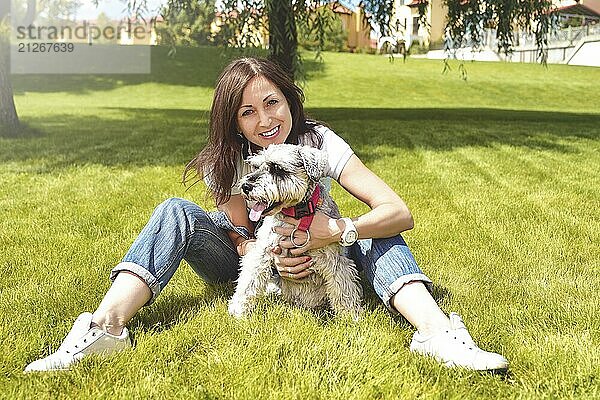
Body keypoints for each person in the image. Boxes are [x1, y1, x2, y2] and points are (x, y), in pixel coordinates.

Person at [25, 57, 508, 373]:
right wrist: (273, 254)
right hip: (257, 255)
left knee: (377, 230)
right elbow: (240, 233)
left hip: (323, 240)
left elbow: (398, 211)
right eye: (247, 112)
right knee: (174, 211)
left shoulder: (319, 142)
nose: (265, 121)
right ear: (232, 121)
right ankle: (106, 327)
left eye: (271, 103)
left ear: (288, 99)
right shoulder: (229, 158)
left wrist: (337, 232)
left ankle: (437, 333)